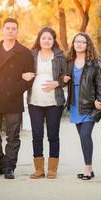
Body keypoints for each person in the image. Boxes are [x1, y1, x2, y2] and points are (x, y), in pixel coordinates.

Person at [0, 18, 35, 179]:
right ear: (2, 30)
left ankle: (9, 167)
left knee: (13, 136)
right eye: (8, 28)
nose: (10, 31)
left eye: (13, 29)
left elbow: (29, 77)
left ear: (17, 32)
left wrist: (16, 90)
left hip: (13, 99)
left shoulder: (24, 52)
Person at [22, 27, 67, 179]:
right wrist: (23, 75)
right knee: (37, 134)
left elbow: (66, 77)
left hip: (54, 102)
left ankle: (52, 169)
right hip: (35, 101)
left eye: (49, 38)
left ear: (53, 41)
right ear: (39, 40)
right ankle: (39, 169)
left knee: (53, 135)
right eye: (43, 38)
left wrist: (57, 83)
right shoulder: (32, 55)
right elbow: (22, 71)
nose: (46, 41)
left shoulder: (60, 57)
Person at [63, 32, 101, 180]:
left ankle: (87, 169)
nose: (79, 44)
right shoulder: (69, 61)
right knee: (82, 137)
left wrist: (100, 101)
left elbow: (100, 85)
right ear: (73, 44)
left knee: (86, 135)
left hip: (89, 104)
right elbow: (62, 78)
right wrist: (64, 79)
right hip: (75, 104)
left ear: (88, 45)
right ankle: (90, 169)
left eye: (82, 42)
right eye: (76, 42)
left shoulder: (93, 64)